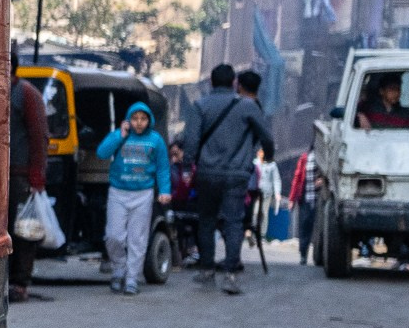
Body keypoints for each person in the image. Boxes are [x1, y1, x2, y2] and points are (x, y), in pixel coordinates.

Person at [181, 61, 276, 294]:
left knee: (207, 220)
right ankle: (231, 275)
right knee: (234, 222)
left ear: (211, 82)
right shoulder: (248, 106)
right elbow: (267, 137)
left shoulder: (200, 105)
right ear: (234, 82)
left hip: (207, 173)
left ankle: (206, 271)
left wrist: (186, 167)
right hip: (236, 175)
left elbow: (191, 141)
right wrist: (267, 158)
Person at [95, 100, 171, 294]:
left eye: (143, 119)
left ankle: (131, 279)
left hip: (143, 194)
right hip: (118, 193)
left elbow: (163, 168)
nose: (138, 123)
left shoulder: (156, 140)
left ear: (149, 120)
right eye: (135, 118)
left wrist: (164, 191)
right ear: (128, 119)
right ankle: (119, 268)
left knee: (137, 238)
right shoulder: (120, 136)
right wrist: (119, 136)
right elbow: (102, 153)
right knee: (114, 236)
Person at [8, 53, 50, 303]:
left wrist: (37, 178)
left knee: (23, 231)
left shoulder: (27, 94)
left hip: (21, 177)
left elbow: (39, 137)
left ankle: (20, 282)